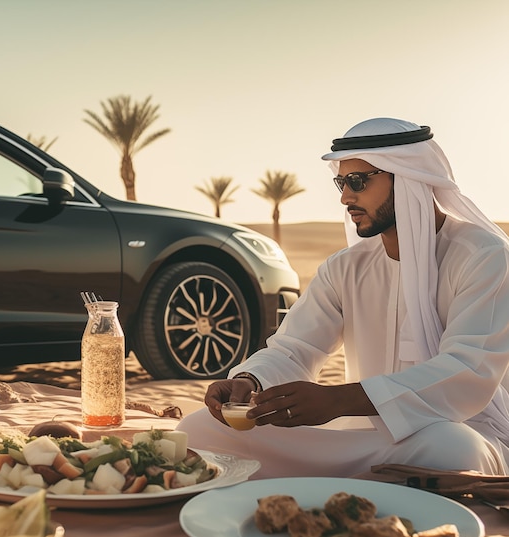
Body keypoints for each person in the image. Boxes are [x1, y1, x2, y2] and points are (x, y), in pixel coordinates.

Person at [177, 117, 509, 478]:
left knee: (452, 452)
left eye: (358, 181)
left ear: (410, 178)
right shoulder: (345, 267)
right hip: (362, 438)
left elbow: (467, 371)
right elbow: (295, 348)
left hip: (457, 432)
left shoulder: (483, 257)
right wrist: (250, 381)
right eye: (342, 181)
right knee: (196, 432)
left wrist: (337, 401)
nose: (345, 197)